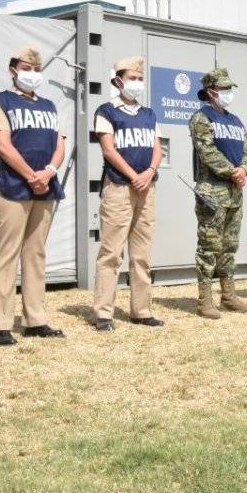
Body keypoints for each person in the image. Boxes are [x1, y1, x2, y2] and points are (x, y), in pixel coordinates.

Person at [0, 46, 67, 346]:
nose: (32, 73)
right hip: (13, 188)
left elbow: (60, 144)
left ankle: (35, 319)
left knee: (35, 254)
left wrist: (48, 172)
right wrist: (30, 176)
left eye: (37, 68)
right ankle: (0, 323)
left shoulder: (49, 106)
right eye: (26, 68)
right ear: (12, 70)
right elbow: (4, 146)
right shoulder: (0, 101)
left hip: (45, 187)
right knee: (7, 255)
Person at [91, 55, 164, 330]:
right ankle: (103, 313)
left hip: (146, 188)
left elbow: (157, 147)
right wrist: (134, 176)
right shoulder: (107, 111)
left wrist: (149, 172)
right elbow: (109, 150)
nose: (136, 83)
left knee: (142, 253)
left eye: (140, 78)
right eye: (132, 78)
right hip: (119, 187)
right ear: (119, 80)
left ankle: (142, 310)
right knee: (111, 252)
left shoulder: (148, 114)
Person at [189, 68, 247, 318]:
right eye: (224, 89)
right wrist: (232, 172)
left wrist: (244, 170)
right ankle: (205, 300)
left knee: (229, 245)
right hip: (212, 192)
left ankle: (228, 295)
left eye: (229, 89)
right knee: (209, 245)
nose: (228, 93)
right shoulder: (201, 118)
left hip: (234, 192)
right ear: (210, 91)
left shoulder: (235, 121)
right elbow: (207, 152)